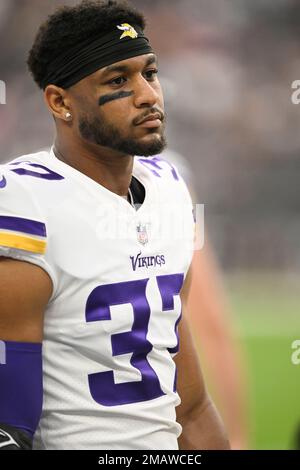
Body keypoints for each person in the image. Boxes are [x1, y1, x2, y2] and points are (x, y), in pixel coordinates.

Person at [0, 0, 229, 450]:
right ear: (60, 101)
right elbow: (9, 426)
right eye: (119, 80)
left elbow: (191, 406)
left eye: (150, 72)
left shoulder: (168, 187)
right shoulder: (24, 202)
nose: (148, 95)